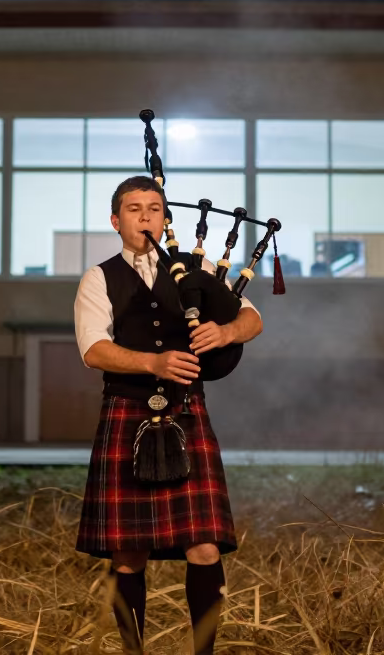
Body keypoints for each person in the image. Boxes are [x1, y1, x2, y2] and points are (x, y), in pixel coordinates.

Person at [73, 176, 264, 655]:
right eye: (133, 209)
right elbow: (94, 350)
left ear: (165, 218)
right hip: (127, 412)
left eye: (154, 208)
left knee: (204, 545)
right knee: (128, 553)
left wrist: (225, 333)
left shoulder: (195, 270)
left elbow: (252, 318)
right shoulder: (100, 278)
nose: (145, 216)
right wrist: (151, 363)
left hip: (185, 412)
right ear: (116, 221)